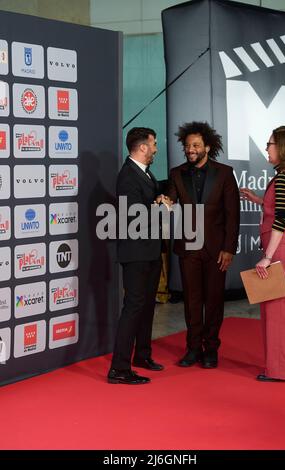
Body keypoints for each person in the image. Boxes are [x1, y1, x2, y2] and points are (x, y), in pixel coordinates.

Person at [165, 122, 240, 368]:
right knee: (192, 301)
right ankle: (193, 348)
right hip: (188, 249)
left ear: (207, 146)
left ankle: (211, 349)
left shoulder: (225, 173)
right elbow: (171, 200)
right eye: (187, 146)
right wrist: (164, 200)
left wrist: (229, 248)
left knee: (215, 301)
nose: (190, 149)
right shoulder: (177, 173)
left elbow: (232, 214)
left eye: (196, 145)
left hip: (217, 249)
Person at [240, 125, 285, 382]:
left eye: (270, 144)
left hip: (280, 248)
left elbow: (282, 218)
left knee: (276, 310)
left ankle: (280, 370)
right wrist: (259, 199)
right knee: (281, 308)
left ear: (283, 147)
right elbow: (280, 207)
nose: (267, 148)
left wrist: (268, 256)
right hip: (284, 246)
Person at [107, 127, 164, 385]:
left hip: (150, 250)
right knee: (133, 307)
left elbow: (146, 203)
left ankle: (142, 355)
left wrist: (157, 199)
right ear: (142, 147)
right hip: (135, 251)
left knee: (147, 305)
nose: (155, 148)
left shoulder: (145, 173)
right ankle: (119, 368)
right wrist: (158, 206)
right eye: (153, 144)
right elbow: (133, 215)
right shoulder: (128, 176)